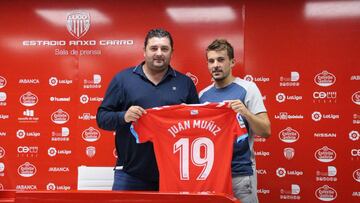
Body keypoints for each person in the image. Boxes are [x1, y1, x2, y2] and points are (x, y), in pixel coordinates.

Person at [96, 28, 199, 191]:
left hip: (175, 173)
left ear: (172, 52)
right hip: (129, 174)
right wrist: (124, 116)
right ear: (144, 51)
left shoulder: (185, 83)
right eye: (154, 48)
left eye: (164, 49)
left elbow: (197, 125)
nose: (159, 53)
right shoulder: (123, 79)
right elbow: (102, 119)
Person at [199, 39, 271, 203]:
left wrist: (245, 112)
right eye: (211, 61)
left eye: (221, 59)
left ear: (232, 62)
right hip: (211, 174)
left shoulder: (248, 88)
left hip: (240, 174)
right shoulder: (202, 95)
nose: (216, 65)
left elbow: (266, 131)